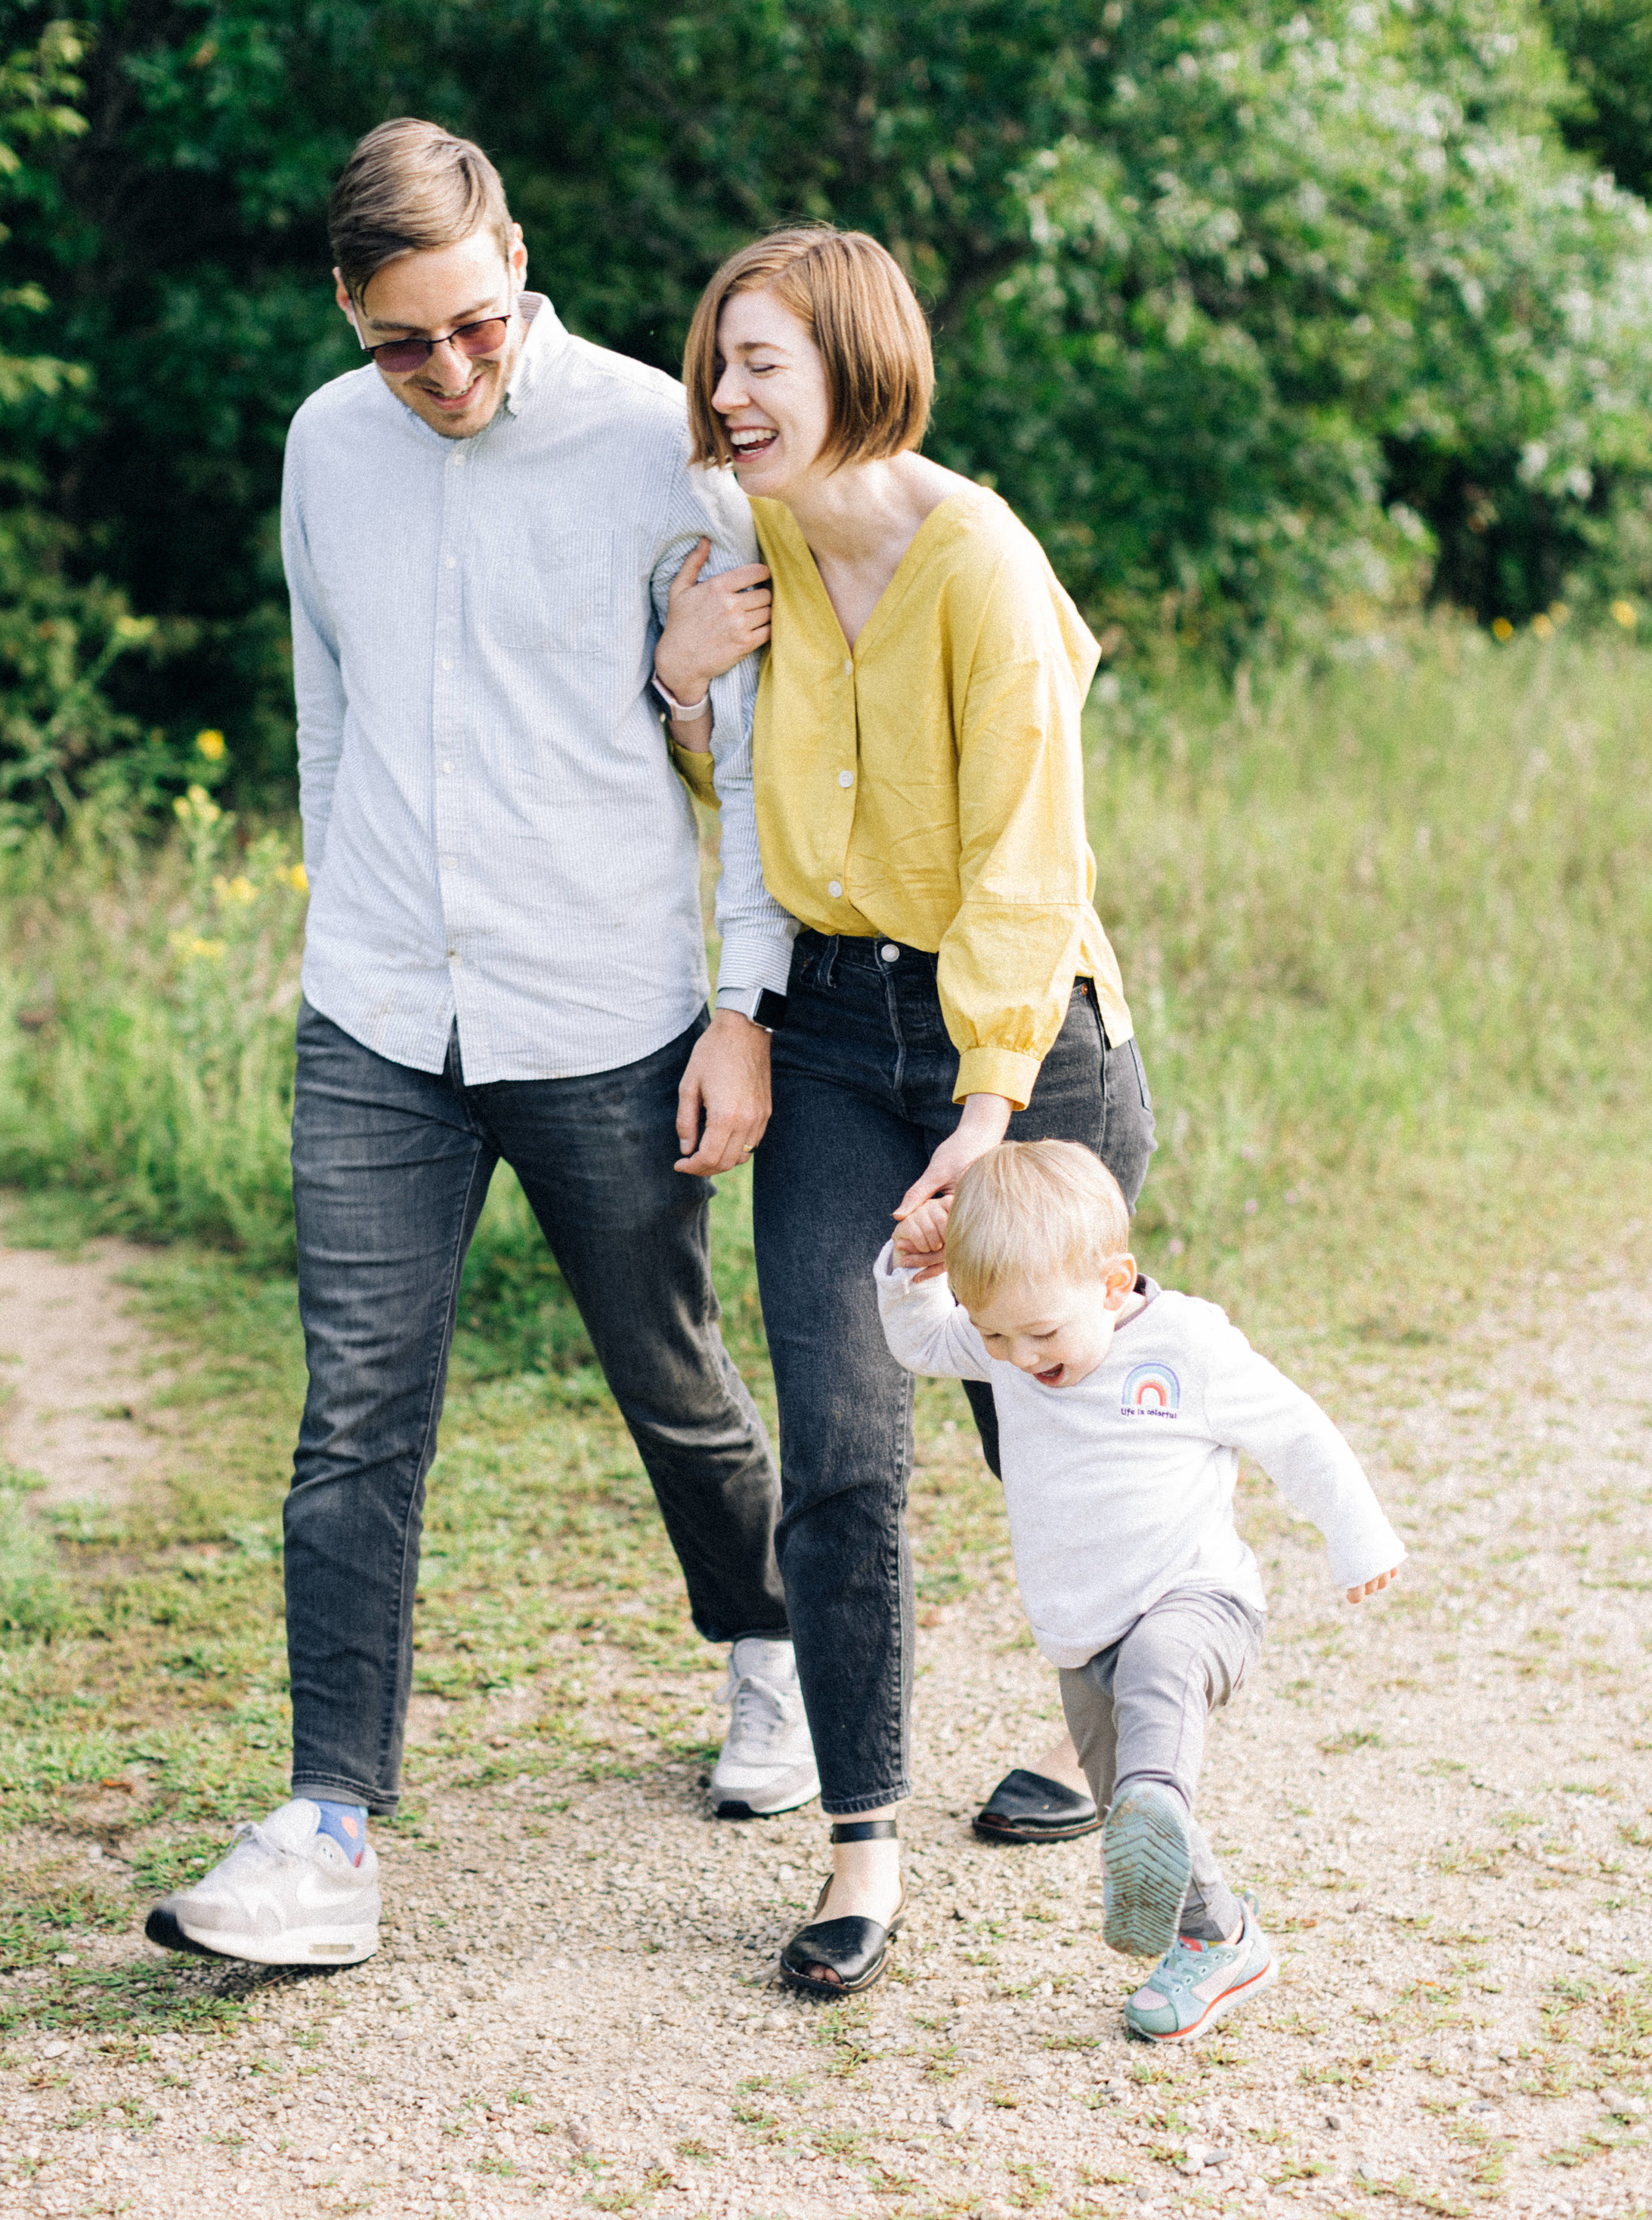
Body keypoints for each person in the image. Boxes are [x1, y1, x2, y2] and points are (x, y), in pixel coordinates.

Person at [144, 118, 818, 1971]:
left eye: (474, 323)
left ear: (515, 252)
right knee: (353, 1416)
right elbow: (324, 713)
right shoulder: (319, 446)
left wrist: (740, 1012)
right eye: (401, 342)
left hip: (603, 1005)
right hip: (375, 1008)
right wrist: (324, 928)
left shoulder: (652, 442)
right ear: (347, 315)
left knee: (670, 1371)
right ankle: (329, 1828)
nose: (448, 370)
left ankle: (773, 1657)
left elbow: (748, 759)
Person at [655, 225, 1156, 1996]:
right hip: (840, 1041)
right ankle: (862, 1849)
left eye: (762, 363)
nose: (725, 395)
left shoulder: (985, 566)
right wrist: (681, 682)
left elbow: (1032, 862)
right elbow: (761, 811)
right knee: (845, 1444)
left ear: (859, 366)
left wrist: (993, 1103)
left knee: (1054, 1417)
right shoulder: (751, 541)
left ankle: (1133, 1742)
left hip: (1026, 1037)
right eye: (720, 362)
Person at [877, 1140, 1405, 2042]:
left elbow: (1297, 1434)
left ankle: (1156, 1797)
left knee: (1157, 1702)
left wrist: (1358, 1538)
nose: (1015, 1355)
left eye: (1039, 1333)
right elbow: (920, 1337)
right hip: (1083, 1635)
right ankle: (1218, 1939)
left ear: (1113, 1282)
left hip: (1199, 1602)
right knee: (1117, 1786)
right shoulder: (1008, 1338)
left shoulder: (1185, 1343)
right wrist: (910, 1268)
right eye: (994, 1334)